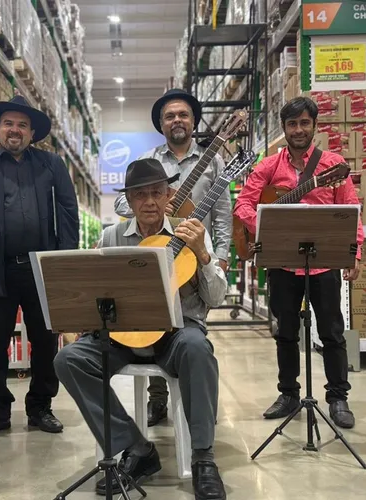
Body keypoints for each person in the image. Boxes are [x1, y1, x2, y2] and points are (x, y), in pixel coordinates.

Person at [55, 158, 227, 499]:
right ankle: (135, 446)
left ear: (168, 196)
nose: (149, 201)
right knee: (68, 360)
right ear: (129, 201)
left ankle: (204, 458)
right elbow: (95, 292)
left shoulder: (189, 232)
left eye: (157, 193)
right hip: (122, 334)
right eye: (140, 195)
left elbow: (217, 298)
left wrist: (203, 256)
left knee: (198, 349)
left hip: (176, 333)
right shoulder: (112, 236)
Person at [233, 96, 363, 428]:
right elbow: (243, 206)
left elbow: (351, 211)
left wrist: (354, 252)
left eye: (305, 123)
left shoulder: (331, 165)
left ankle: (338, 398)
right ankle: (289, 394)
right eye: (292, 124)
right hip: (282, 261)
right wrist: (265, 225)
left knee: (333, 332)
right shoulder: (267, 167)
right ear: (284, 128)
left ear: (315, 127)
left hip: (324, 263)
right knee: (286, 332)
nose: (299, 130)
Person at [0, 95, 79, 439]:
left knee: (45, 341)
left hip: (43, 270)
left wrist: (64, 264)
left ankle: (41, 406)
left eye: (22, 125)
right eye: (8, 123)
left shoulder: (52, 165)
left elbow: (69, 215)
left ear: (32, 132)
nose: (15, 130)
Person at [113, 88, 233, 427]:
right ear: (161, 124)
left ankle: (195, 412)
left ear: (193, 121)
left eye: (182, 115)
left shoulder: (213, 159)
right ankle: (157, 398)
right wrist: (156, 205)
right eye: (169, 116)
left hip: (196, 251)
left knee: (189, 326)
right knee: (150, 315)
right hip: (156, 246)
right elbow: (124, 204)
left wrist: (218, 255)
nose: (177, 120)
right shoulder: (151, 159)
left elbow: (222, 210)